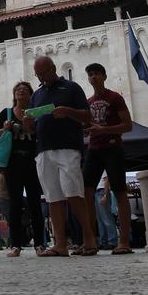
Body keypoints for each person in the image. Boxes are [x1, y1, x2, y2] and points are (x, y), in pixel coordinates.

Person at [22, 56, 96, 257]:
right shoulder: (36, 96)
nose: (42, 77)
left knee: (74, 193)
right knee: (53, 197)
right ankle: (60, 244)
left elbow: (87, 116)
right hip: (44, 150)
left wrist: (67, 111)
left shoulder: (72, 88)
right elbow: (36, 126)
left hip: (68, 147)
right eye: (38, 74)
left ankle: (89, 238)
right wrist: (29, 125)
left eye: (44, 73)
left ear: (53, 68)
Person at [0, 81, 45, 257]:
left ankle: (40, 245)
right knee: (14, 203)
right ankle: (15, 245)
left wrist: (33, 126)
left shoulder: (36, 113)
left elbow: (43, 133)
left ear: (30, 95)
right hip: (12, 163)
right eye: (18, 90)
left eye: (25, 90)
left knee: (35, 203)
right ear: (14, 95)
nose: (21, 91)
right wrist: (3, 129)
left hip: (31, 161)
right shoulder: (7, 113)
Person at [81, 63, 134, 255]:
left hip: (113, 148)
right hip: (94, 149)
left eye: (96, 74)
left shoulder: (115, 98)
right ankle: (91, 240)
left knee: (120, 192)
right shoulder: (87, 102)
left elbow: (128, 126)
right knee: (86, 191)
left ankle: (124, 241)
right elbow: (85, 127)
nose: (93, 77)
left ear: (104, 76)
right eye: (90, 75)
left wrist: (105, 130)